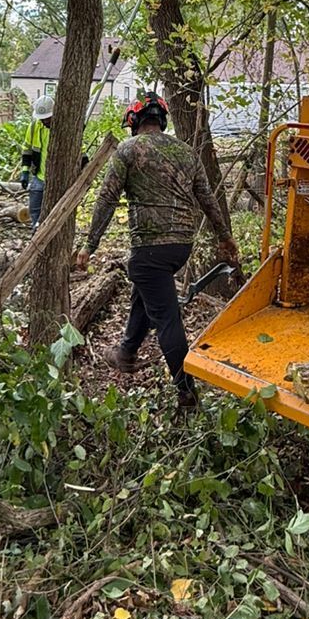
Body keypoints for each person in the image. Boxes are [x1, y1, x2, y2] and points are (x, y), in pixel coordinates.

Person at [76, 91, 239, 412]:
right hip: (181, 247)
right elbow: (208, 199)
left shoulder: (127, 150)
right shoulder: (186, 152)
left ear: (134, 122)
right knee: (146, 290)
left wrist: (89, 244)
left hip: (150, 247)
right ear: (161, 120)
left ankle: (186, 392)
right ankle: (126, 353)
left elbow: (107, 199)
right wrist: (224, 236)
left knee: (166, 316)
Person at [21, 95, 52, 228]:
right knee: (35, 211)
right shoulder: (34, 126)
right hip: (39, 177)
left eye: (47, 118)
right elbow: (27, 149)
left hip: (57, 180)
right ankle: (35, 233)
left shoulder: (65, 128)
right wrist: (25, 172)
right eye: (42, 118)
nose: (44, 121)